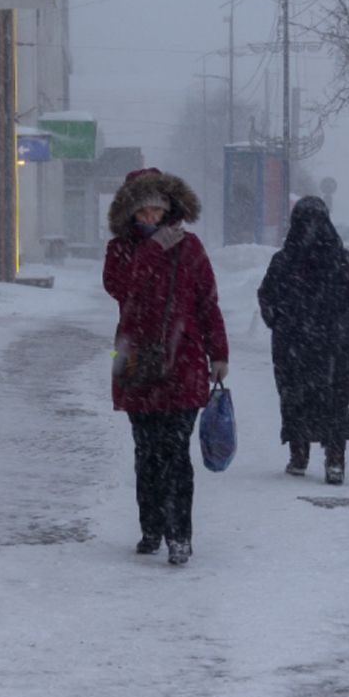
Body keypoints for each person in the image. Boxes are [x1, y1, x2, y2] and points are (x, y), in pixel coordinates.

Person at [104, 168, 229, 566]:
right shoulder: (120, 250)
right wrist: (152, 249)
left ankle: (180, 536)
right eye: (143, 212)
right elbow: (120, 288)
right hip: (134, 361)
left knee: (175, 453)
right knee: (146, 451)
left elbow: (208, 302)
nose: (151, 217)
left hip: (184, 362)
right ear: (130, 213)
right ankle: (151, 528)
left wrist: (219, 354)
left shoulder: (190, 247)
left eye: (157, 209)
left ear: (169, 207)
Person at [257, 196, 349, 485]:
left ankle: (299, 455)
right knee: (334, 401)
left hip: (293, 344)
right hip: (333, 344)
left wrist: (278, 322)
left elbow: (267, 296)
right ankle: (334, 460)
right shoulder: (341, 259)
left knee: (295, 398)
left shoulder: (284, 260)